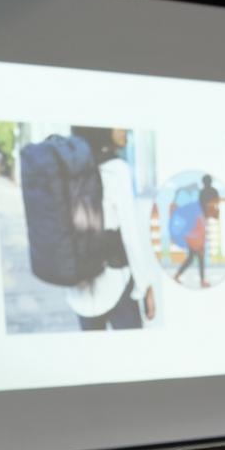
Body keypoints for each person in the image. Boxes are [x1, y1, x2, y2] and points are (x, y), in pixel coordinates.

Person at [67, 126, 159, 330]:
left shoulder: (71, 167)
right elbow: (131, 236)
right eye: (117, 124)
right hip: (116, 284)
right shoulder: (117, 169)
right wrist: (145, 285)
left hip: (80, 290)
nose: (125, 129)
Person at [172, 174, 220, 289]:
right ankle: (200, 280)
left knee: (193, 256)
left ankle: (180, 275)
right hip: (199, 226)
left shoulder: (203, 194)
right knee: (197, 255)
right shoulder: (212, 193)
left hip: (199, 224)